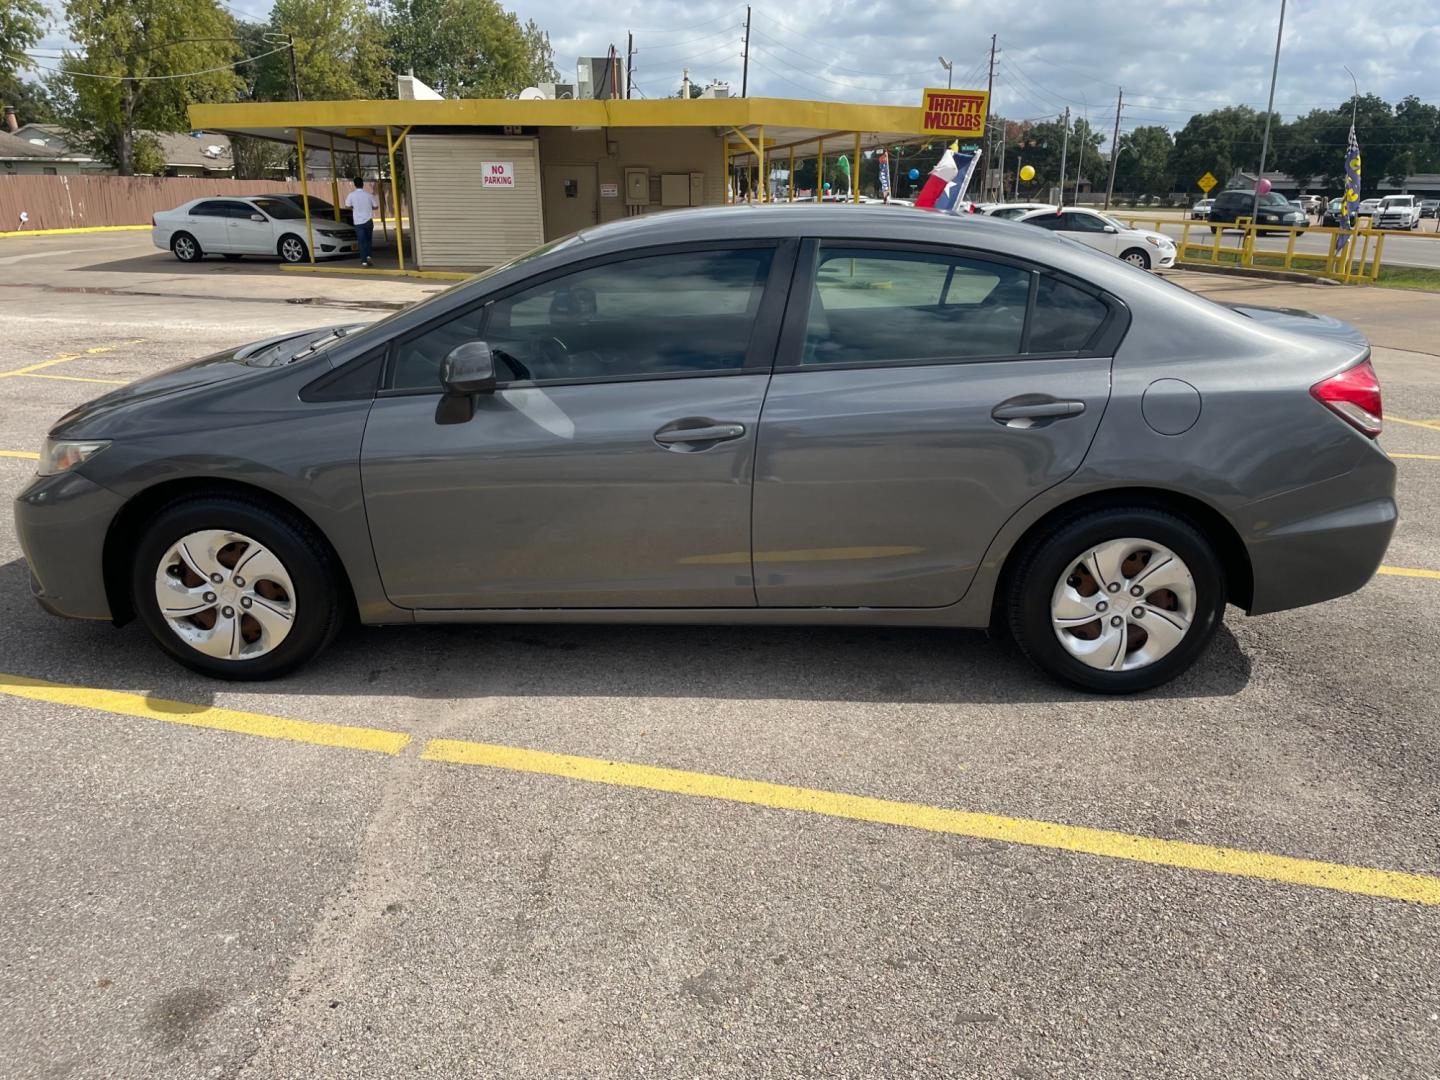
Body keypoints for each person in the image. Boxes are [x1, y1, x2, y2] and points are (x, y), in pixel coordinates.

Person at [344, 176, 378, 267]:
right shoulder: (369, 195)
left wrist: (354, 207)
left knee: (361, 241)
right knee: (368, 240)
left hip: (358, 222)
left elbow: (347, 206)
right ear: (363, 184)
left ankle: (364, 261)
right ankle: (369, 256)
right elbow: (376, 206)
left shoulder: (351, 195)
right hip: (368, 221)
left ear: (355, 185)